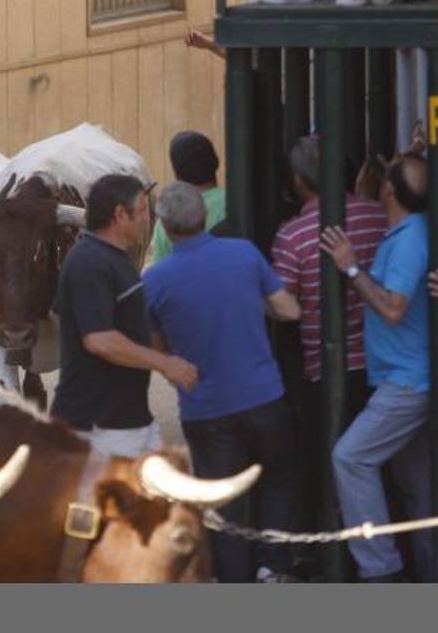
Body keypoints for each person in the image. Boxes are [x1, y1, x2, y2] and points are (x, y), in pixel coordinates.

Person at [144, 183, 302, 582]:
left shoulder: (156, 280)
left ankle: (234, 583)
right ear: (205, 216)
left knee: (224, 500)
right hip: (265, 395)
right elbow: (288, 309)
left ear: (163, 225)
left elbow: (157, 348)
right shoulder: (244, 254)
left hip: (206, 406)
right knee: (279, 481)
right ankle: (274, 568)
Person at [320, 153, 434, 582]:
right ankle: (432, 576)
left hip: (406, 383)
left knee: (349, 457)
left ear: (389, 191)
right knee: (417, 487)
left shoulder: (409, 240)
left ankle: (381, 569)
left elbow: (392, 308)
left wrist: (349, 264)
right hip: (404, 377)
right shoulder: (406, 230)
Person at [271, 135, 387, 538]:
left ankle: (348, 554)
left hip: (330, 370)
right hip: (388, 366)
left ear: (300, 180)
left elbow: (285, 305)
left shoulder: (293, 235)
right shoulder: (381, 216)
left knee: (338, 469)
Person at [51, 174, 199, 457]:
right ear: (120, 215)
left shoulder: (114, 259)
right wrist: (164, 363)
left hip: (128, 422)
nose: (148, 218)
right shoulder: (89, 262)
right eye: (143, 210)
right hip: (99, 428)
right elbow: (99, 340)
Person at [149, 131, 227, 263]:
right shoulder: (235, 203)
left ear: (176, 173)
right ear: (217, 162)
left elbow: (160, 268)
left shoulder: (166, 220)